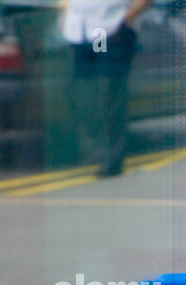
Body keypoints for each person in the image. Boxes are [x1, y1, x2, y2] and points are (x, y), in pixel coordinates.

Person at [61, 0, 152, 176]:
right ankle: (95, 152)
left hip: (104, 30)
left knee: (108, 94)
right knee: (85, 94)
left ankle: (110, 157)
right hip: (80, 32)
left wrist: (126, 18)